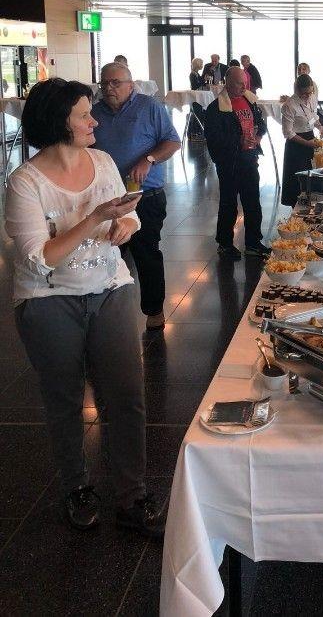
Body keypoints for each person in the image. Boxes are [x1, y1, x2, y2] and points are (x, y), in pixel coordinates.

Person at [4, 78, 165, 537]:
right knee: (65, 400)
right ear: (60, 122)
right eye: (83, 115)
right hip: (48, 300)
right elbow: (39, 258)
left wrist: (126, 224)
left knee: (126, 396)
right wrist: (95, 217)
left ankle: (132, 495)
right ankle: (77, 487)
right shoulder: (25, 182)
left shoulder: (103, 161)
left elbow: (128, 213)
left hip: (110, 288)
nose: (94, 121)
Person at [92, 63, 181, 331]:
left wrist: (149, 159)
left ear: (131, 85)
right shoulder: (95, 113)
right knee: (105, 253)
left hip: (145, 195)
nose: (109, 88)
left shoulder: (149, 107)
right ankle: (104, 312)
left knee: (146, 253)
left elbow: (172, 141)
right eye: (104, 83)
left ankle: (154, 310)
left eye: (115, 83)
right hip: (107, 198)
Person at [204, 66, 271, 260]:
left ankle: (253, 243)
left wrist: (258, 137)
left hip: (249, 159)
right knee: (229, 204)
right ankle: (225, 244)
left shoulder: (249, 100)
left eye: (245, 83)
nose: (244, 87)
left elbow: (261, 124)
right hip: (229, 162)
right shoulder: (216, 108)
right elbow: (214, 139)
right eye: (240, 83)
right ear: (227, 83)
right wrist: (238, 141)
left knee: (253, 202)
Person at [280, 73, 323, 207]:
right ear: (297, 90)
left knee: (312, 175)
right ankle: (296, 210)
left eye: (309, 92)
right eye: (304, 93)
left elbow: (312, 116)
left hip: (310, 138)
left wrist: (320, 127)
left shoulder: (312, 98)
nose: (307, 96)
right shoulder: (289, 105)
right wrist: (307, 143)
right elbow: (288, 133)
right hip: (296, 144)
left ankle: (312, 206)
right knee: (297, 180)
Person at [188, 57, 206, 141]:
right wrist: (203, 80)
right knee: (197, 114)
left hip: (197, 96)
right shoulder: (193, 74)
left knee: (199, 113)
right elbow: (195, 86)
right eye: (201, 64)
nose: (202, 65)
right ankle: (194, 132)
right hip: (195, 97)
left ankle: (197, 131)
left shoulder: (196, 73)